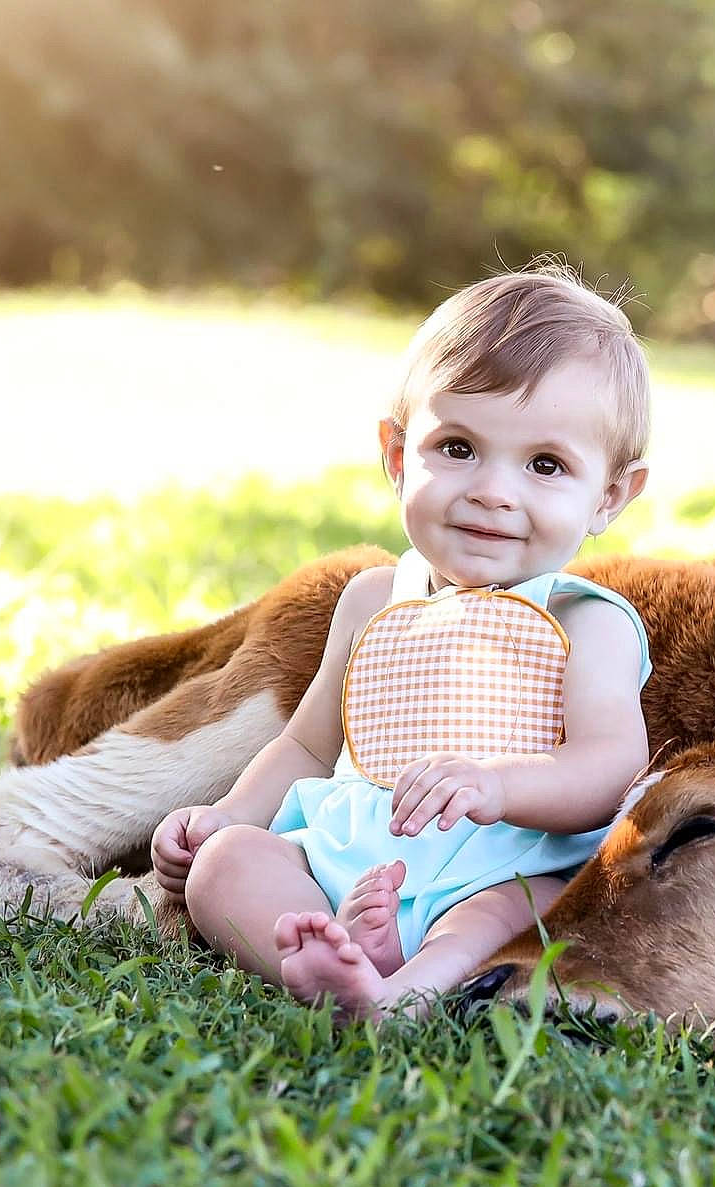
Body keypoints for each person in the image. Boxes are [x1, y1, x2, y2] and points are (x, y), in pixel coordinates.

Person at [149, 265, 653, 1018]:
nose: (492, 489)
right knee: (224, 868)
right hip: (342, 857)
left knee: (532, 906)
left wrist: (497, 786)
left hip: (496, 867)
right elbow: (308, 747)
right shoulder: (372, 599)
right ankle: (321, 957)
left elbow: (611, 766)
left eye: (545, 465)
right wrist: (228, 813)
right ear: (396, 454)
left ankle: (401, 991)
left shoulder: (587, 619)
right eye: (457, 447)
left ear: (608, 496)